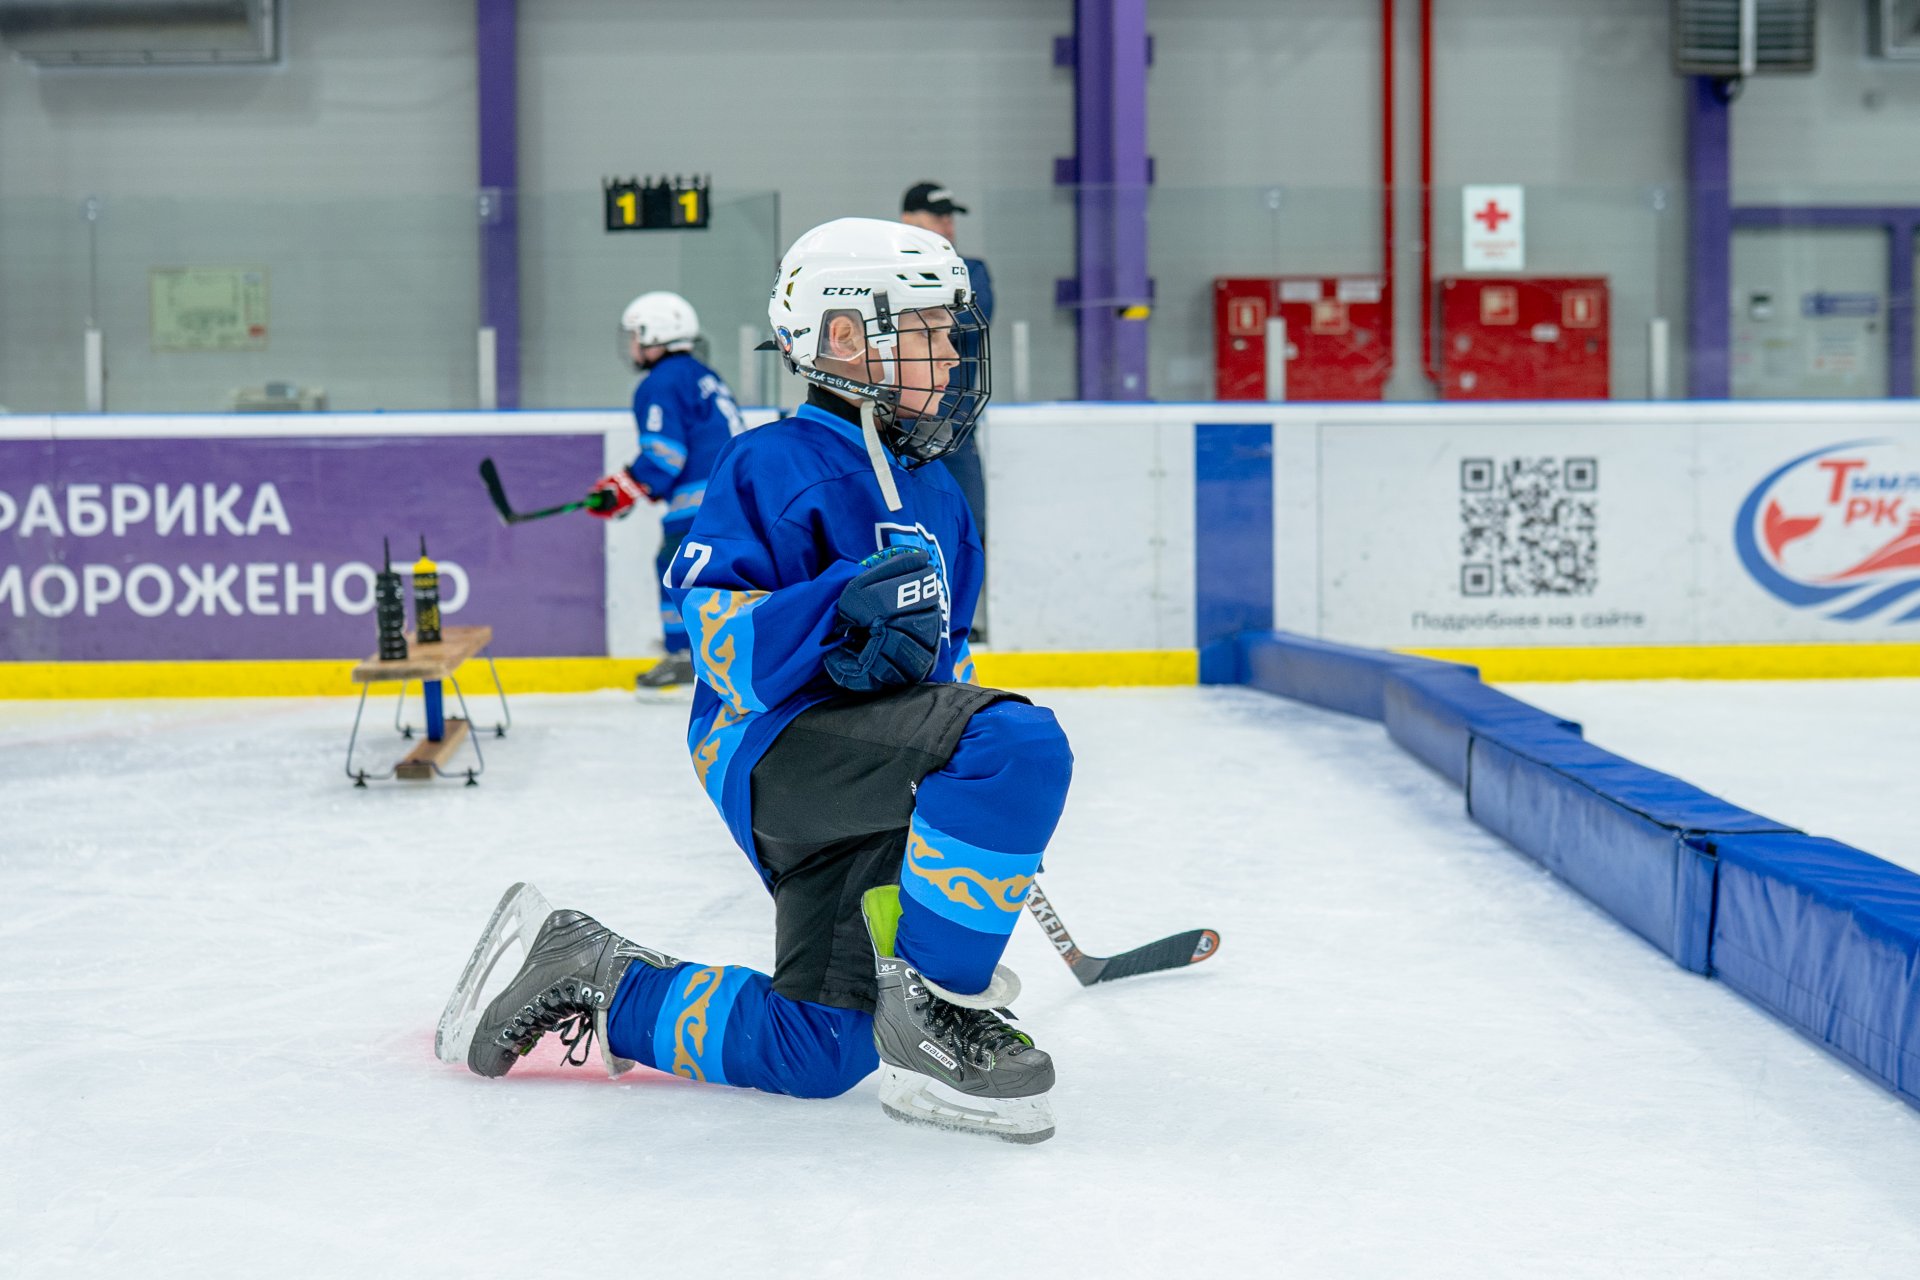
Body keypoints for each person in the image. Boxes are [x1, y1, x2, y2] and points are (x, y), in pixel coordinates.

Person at [439, 218, 1073, 1144]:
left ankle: (595, 974)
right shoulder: (773, 461)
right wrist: (837, 609)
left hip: (876, 772)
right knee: (1019, 742)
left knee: (820, 1048)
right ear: (845, 336)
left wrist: (983, 814)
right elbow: (720, 650)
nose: (949, 353)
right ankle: (940, 1009)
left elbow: (952, 678)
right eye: (928, 330)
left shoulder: (941, 494)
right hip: (776, 748)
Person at [591, 290, 744, 689]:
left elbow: (665, 455)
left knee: (675, 569)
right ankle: (722, 655)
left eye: (635, 336)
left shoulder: (660, 383)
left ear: (653, 335)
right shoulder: (703, 375)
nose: (631, 346)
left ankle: (684, 657)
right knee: (720, 578)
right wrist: (630, 485)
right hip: (737, 495)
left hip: (701, 503)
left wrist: (623, 488)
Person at [901, 182, 993, 639]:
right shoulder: (882, 270)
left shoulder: (971, 271)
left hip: (954, 427)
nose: (948, 226)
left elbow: (965, 318)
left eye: (950, 217)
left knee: (966, 523)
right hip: (897, 423)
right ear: (908, 220)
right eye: (938, 216)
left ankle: (954, 618)